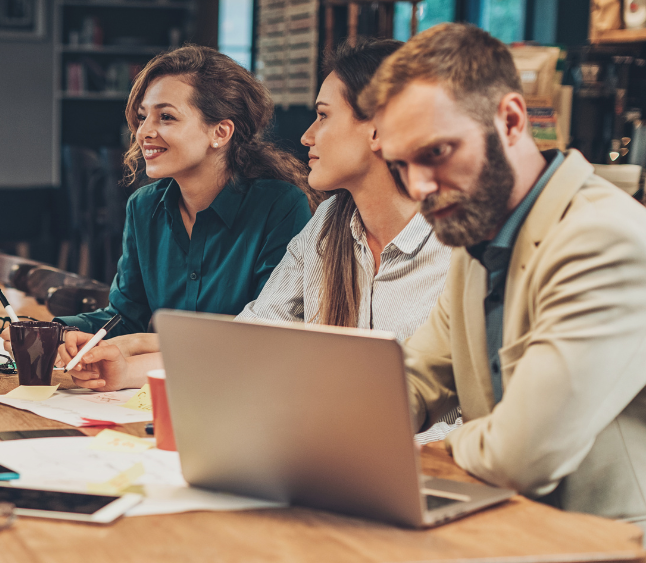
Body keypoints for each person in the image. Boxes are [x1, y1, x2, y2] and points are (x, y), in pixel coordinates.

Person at [62, 41, 460, 441]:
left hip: (420, 474)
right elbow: (249, 343)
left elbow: (477, 419)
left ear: (379, 129)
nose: (306, 136)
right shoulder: (327, 227)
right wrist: (125, 368)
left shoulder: (461, 251)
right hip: (326, 457)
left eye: (323, 117)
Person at [363, 23, 646, 533]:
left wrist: (452, 440)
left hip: (607, 541)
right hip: (509, 524)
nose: (419, 187)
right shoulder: (478, 239)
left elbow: (522, 456)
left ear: (512, 121)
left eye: (436, 153)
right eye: (401, 165)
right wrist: (330, 418)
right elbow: (414, 380)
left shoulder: (605, 239)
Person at [4, 45, 315, 350]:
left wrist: (144, 343)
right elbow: (124, 319)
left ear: (220, 132)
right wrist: (53, 331)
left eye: (166, 117)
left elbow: (268, 335)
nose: (143, 132)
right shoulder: (143, 206)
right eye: (142, 117)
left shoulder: (280, 207)